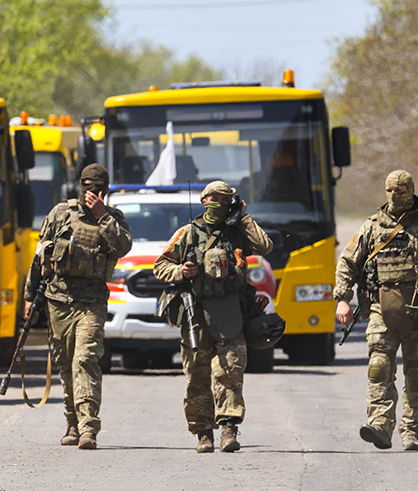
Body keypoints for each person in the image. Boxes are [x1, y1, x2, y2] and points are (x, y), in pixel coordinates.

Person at [335, 170, 418, 451]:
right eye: (391, 191)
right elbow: (348, 263)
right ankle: (380, 426)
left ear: (411, 191)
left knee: (417, 374)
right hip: (379, 310)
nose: (395, 195)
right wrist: (343, 298)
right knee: (379, 367)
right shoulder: (372, 227)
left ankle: (411, 430)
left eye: (401, 190)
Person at [152, 180, 273, 453]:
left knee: (230, 371)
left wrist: (244, 218)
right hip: (196, 313)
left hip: (231, 312)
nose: (219, 204)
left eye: (225, 200)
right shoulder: (187, 233)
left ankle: (229, 429)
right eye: (214, 199)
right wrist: (181, 271)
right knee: (197, 374)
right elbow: (160, 266)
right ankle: (203, 433)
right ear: (204, 201)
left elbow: (265, 247)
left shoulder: (238, 233)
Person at [23, 163, 132, 450]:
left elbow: (123, 247)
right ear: (79, 185)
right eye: (87, 185)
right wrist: (28, 296)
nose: (92, 192)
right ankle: (71, 422)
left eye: (98, 187)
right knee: (65, 363)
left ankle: (88, 427)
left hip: (91, 302)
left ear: (105, 189)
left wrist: (101, 217)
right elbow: (40, 255)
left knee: (85, 359)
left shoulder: (113, 219)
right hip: (58, 301)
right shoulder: (61, 214)